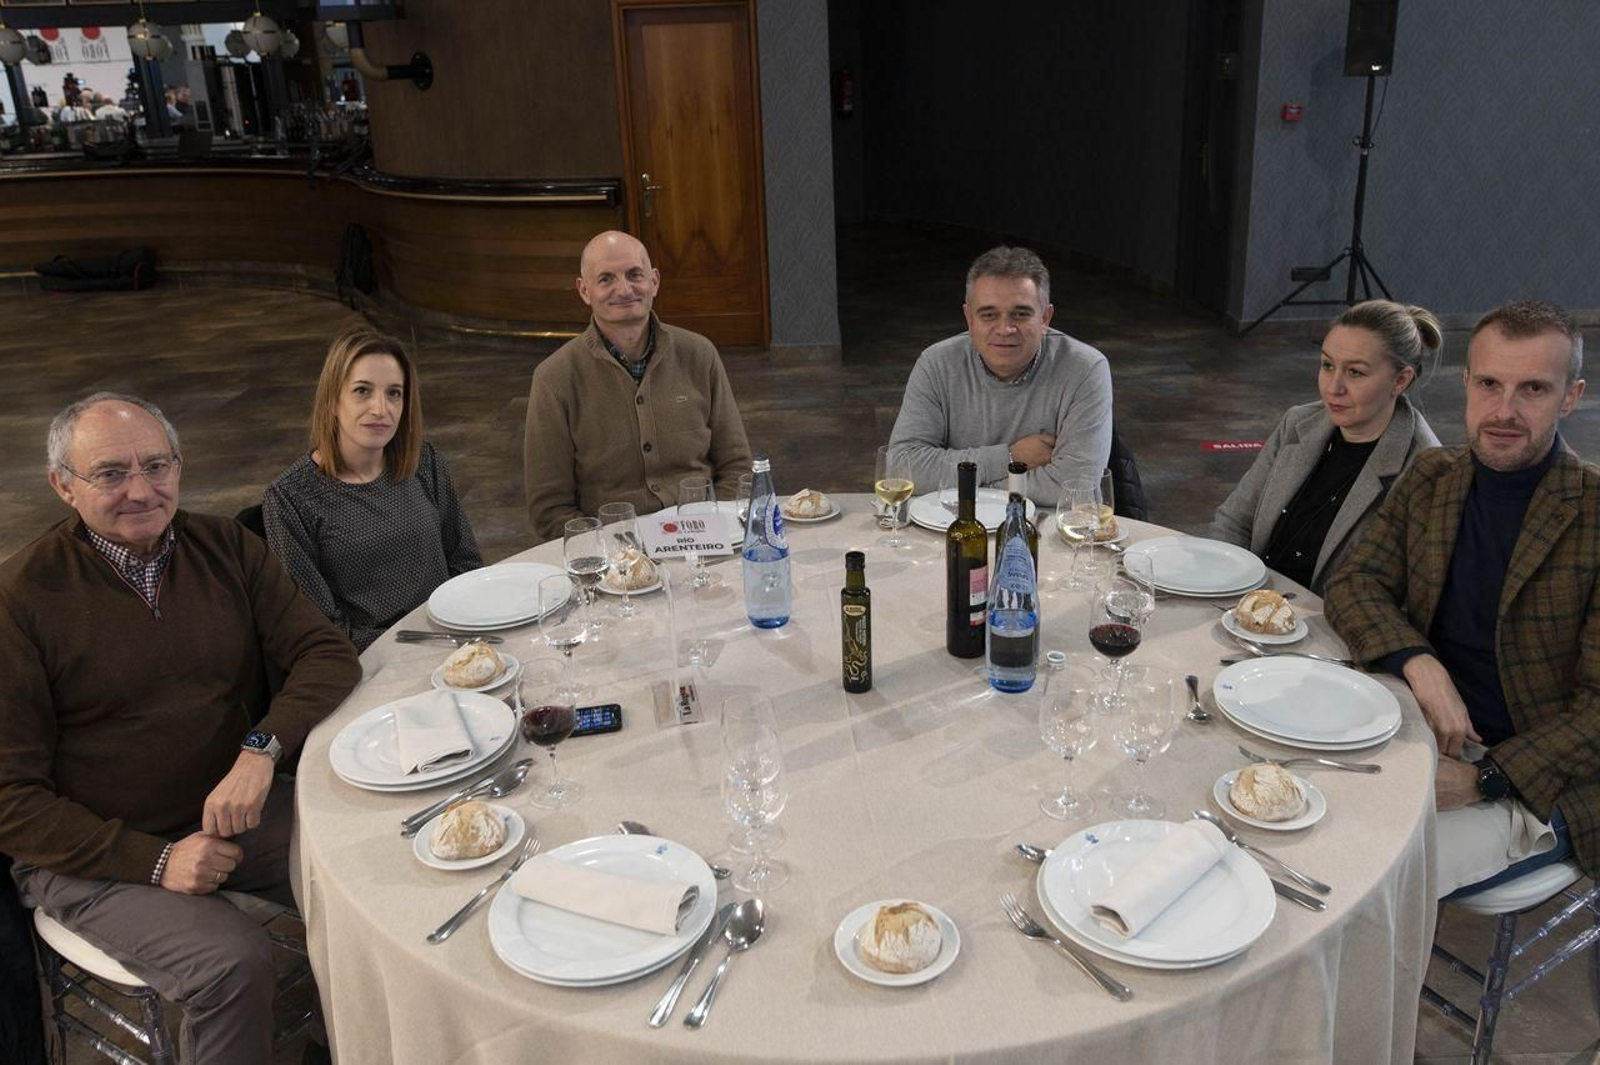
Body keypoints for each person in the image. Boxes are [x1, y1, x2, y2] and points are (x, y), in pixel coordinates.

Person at [0, 393, 361, 1063]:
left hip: (227, 812)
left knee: (366, 857)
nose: (140, 489)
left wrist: (261, 748)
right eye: (110, 473)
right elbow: (11, 800)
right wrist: (159, 860)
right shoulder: (19, 599)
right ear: (63, 485)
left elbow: (326, 653)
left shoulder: (224, 544)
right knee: (233, 961)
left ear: (179, 467)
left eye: (156, 465)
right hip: (91, 851)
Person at [1325, 299, 1596, 898]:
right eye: (1490, 384)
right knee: (1275, 813)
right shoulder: (1433, 477)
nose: (1504, 411)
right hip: (1412, 725)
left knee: (1355, 882)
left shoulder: (1594, 514)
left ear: (1570, 397)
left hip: (1532, 776)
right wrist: (1421, 665)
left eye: (1533, 389)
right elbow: (1354, 584)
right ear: (1467, 383)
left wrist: (1486, 780)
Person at [523, 230, 753, 542]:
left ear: (654, 281)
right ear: (584, 290)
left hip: (707, 539)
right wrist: (619, 555)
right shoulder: (554, 379)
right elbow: (550, 509)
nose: (624, 289)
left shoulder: (699, 354)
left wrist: (718, 530)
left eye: (635, 274)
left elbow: (737, 466)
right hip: (616, 555)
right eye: (606, 279)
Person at [266, 329, 483, 653]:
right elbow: (322, 628)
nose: (381, 409)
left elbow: (466, 563)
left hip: (452, 640)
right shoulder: (291, 498)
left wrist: (461, 634)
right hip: (372, 662)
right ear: (332, 402)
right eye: (362, 391)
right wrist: (421, 646)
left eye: (394, 393)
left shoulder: (424, 463)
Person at [1209, 300, 1442, 594]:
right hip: (1245, 605)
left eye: (1355, 372)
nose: (1333, 387)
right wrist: (1230, 594)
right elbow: (1233, 522)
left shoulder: (1424, 468)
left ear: (1400, 380)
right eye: (1327, 365)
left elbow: (1405, 599)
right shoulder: (1298, 422)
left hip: (1330, 627)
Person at [886, 245, 1112, 506]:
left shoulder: (1085, 369)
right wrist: (1010, 457)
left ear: (1045, 318)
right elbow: (902, 469)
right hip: (953, 526)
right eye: (989, 314)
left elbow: (1072, 488)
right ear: (969, 318)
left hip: (1050, 534)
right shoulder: (936, 364)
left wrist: (961, 484)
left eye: (1021, 314)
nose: (1005, 329)